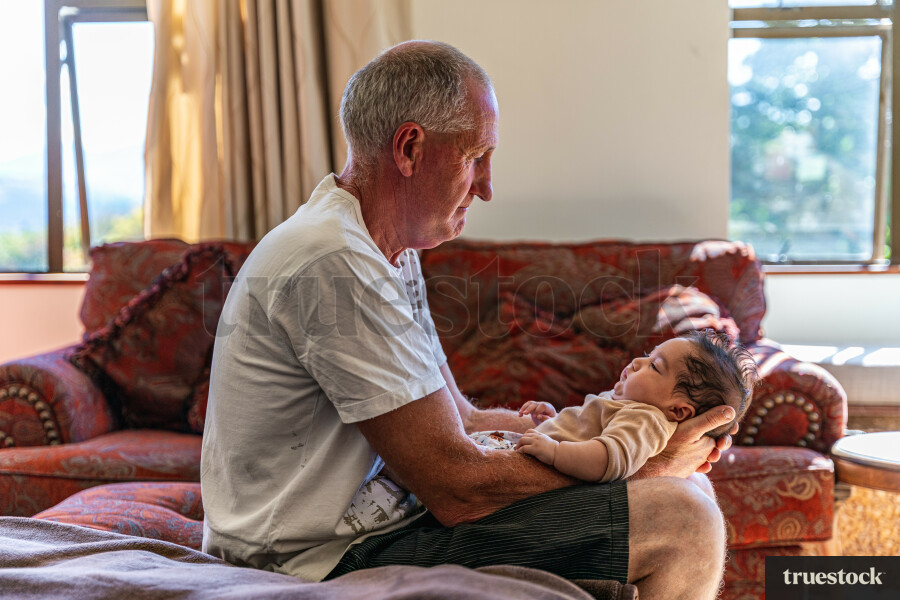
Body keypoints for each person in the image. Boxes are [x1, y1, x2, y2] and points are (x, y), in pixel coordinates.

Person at [200, 39, 740, 600]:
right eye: (475, 157)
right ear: (410, 149)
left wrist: (590, 433)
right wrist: (648, 462)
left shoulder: (387, 252)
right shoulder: (334, 261)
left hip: (382, 526)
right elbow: (456, 486)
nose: (486, 186)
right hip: (312, 560)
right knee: (683, 521)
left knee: (689, 494)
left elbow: (460, 419)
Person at [512, 330, 757, 482]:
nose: (638, 361)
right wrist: (554, 420)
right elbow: (586, 432)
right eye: (648, 355)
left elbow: (607, 460)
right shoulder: (627, 404)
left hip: (535, 478)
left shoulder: (646, 419)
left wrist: (555, 451)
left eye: (655, 366)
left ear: (678, 410)